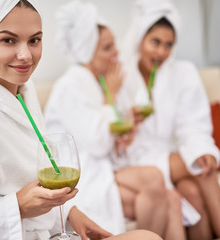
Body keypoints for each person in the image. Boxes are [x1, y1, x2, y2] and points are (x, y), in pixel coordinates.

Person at [0, 1, 161, 240]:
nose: (25, 55)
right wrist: (17, 208)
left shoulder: (22, 97)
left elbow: (26, 185)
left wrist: (68, 215)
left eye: (34, 40)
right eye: (8, 40)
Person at [44, 1, 184, 239]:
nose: (117, 53)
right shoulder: (71, 85)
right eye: (108, 47)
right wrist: (112, 99)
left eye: (114, 45)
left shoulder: (99, 82)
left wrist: (125, 135)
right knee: (154, 177)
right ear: (88, 51)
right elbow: (97, 144)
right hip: (84, 176)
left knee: (172, 197)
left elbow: (107, 139)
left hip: (105, 168)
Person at [118, 0, 220, 239]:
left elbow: (193, 124)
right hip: (135, 163)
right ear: (141, 38)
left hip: (168, 155)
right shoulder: (121, 76)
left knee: (193, 190)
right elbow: (109, 127)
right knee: (197, 164)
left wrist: (202, 149)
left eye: (168, 45)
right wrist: (129, 122)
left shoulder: (183, 73)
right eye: (155, 42)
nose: (161, 52)